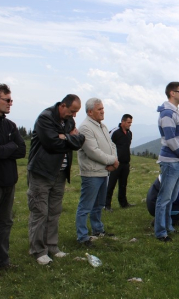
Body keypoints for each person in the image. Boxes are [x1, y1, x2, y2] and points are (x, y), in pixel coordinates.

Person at [27, 94, 85, 265]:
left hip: (59, 174)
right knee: (40, 212)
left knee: (54, 211)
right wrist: (70, 138)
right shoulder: (45, 118)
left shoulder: (69, 122)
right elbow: (52, 144)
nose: (74, 116)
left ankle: (52, 246)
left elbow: (80, 140)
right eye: (72, 111)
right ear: (63, 106)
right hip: (42, 172)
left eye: (76, 113)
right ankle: (38, 250)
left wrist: (65, 137)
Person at [75, 98, 119, 247]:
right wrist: (112, 160)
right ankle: (82, 237)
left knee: (99, 204)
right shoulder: (85, 128)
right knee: (85, 206)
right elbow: (93, 152)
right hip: (92, 172)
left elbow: (111, 144)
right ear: (90, 111)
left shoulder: (102, 126)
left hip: (103, 171)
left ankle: (97, 230)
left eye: (103, 108)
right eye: (99, 109)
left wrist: (113, 161)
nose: (102, 111)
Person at [155, 82, 179, 242]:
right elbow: (170, 140)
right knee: (164, 198)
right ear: (172, 93)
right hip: (171, 161)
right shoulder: (167, 114)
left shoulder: (175, 112)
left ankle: (168, 226)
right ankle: (161, 232)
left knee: (171, 197)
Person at [0, 84, 26, 270]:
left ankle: (3, 261)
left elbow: (22, 150)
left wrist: (6, 149)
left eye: (11, 100)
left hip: (9, 181)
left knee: (6, 222)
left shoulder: (10, 125)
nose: (10, 103)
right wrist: (11, 147)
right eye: (7, 100)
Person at [105, 114, 134, 211]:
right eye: (128, 122)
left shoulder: (130, 133)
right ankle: (107, 205)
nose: (130, 124)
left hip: (125, 163)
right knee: (111, 184)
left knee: (123, 184)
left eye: (131, 123)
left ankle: (123, 203)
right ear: (123, 122)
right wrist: (110, 160)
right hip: (115, 163)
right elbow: (107, 144)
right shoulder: (115, 132)